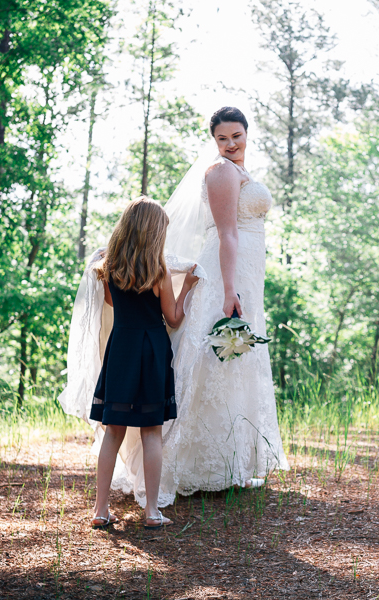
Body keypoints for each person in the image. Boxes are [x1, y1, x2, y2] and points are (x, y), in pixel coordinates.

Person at [157, 106, 289, 505]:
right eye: (222, 138)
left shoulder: (240, 171)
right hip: (226, 273)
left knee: (237, 361)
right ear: (213, 141)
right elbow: (228, 233)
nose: (231, 144)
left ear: (247, 133)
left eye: (236, 136)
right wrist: (230, 290)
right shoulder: (220, 172)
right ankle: (192, 465)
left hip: (247, 271)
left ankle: (234, 464)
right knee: (214, 358)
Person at [89, 198, 198, 529]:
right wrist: (187, 287)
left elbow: (112, 303)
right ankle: (151, 511)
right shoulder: (159, 272)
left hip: (121, 348)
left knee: (113, 431)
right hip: (151, 350)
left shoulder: (109, 269)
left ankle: (100, 510)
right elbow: (174, 318)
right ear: (154, 234)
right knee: (151, 432)